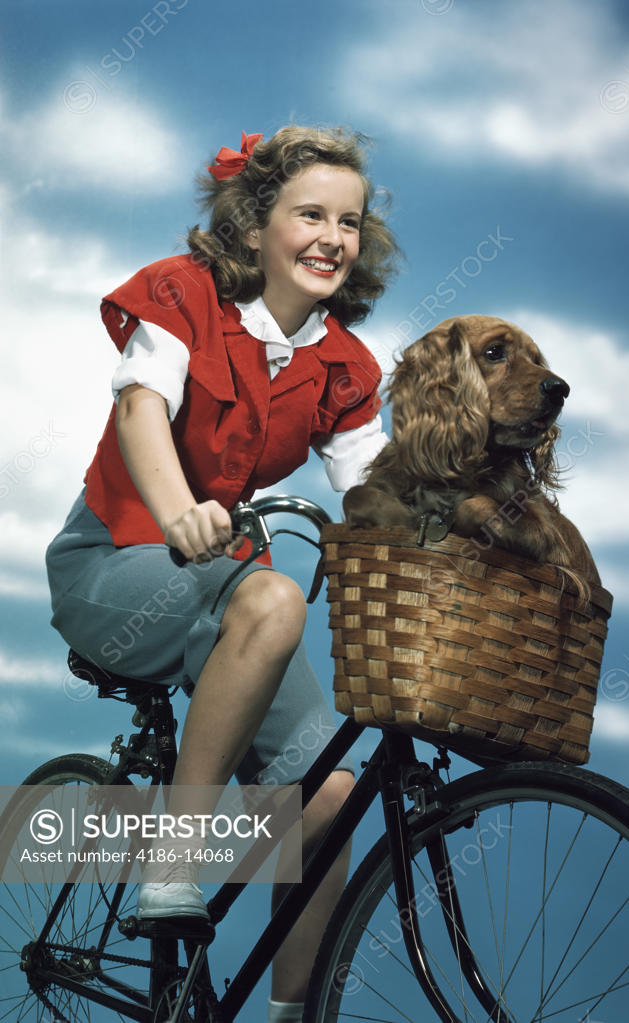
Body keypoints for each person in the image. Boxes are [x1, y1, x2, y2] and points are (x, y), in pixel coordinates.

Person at [45, 125, 400, 1023]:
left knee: (328, 798)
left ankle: (288, 1014)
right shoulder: (187, 294)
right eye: (310, 214)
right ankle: (172, 857)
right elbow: (141, 409)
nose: (332, 238)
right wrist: (177, 509)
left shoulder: (343, 365)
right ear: (252, 225)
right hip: (112, 560)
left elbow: (376, 494)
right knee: (275, 595)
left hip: (226, 583)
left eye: (349, 222)